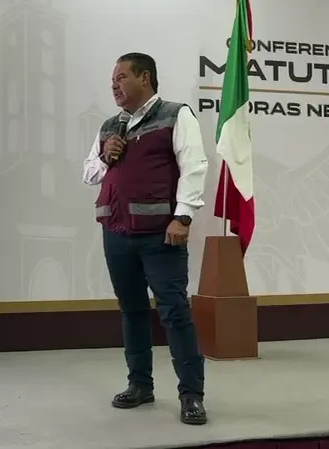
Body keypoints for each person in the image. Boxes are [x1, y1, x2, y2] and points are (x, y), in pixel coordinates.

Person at [82, 52, 209, 425]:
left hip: (161, 234)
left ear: (145, 78)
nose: (114, 85)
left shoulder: (175, 115)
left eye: (121, 77)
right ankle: (140, 385)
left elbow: (194, 166)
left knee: (174, 311)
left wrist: (183, 217)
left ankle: (191, 395)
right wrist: (105, 156)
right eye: (112, 80)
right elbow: (89, 174)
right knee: (132, 311)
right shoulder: (110, 127)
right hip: (116, 233)